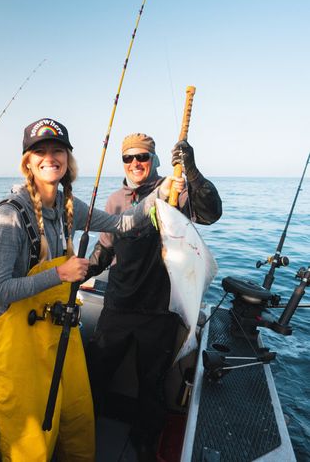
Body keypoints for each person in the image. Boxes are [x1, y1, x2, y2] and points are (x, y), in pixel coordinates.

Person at [0, 119, 181, 461]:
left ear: (68, 160)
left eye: (58, 150)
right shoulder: (10, 215)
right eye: (39, 151)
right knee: (28, 433)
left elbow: (122, 224)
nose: (49, 157)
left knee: (76, 415)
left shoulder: (70, 206)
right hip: (16, 343)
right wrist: (61, 273)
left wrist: (160, 194)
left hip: (57, 333)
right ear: (27, 161)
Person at [86, 133, 222, 459]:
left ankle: (145, 439)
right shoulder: (116, 200)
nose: (135, 164)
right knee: (96, 373)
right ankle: (85, 425)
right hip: (118, 307)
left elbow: (212, 212)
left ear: (154, 159)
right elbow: (104, 247)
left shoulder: (176, 191)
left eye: (142, 157)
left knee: (152, 384)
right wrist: (78, 276)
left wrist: (190, 168)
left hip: (160, 311)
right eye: (128, 158)